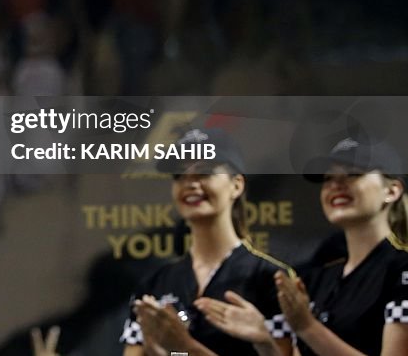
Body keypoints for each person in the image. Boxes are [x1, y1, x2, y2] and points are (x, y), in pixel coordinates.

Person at [207, 134, 408, 355]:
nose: (336, 185)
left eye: (353, 174)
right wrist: (263, 340)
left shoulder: (401, 270)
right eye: (328, 178)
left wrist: (307, 327)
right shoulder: (317, 279)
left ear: (392, 190)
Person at [120, 127, 294, 355]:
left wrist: (184, 346)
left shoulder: (270, 279)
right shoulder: (155, 285)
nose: (190, 183)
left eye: (204, 172)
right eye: (180, 175)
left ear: (237, 185)